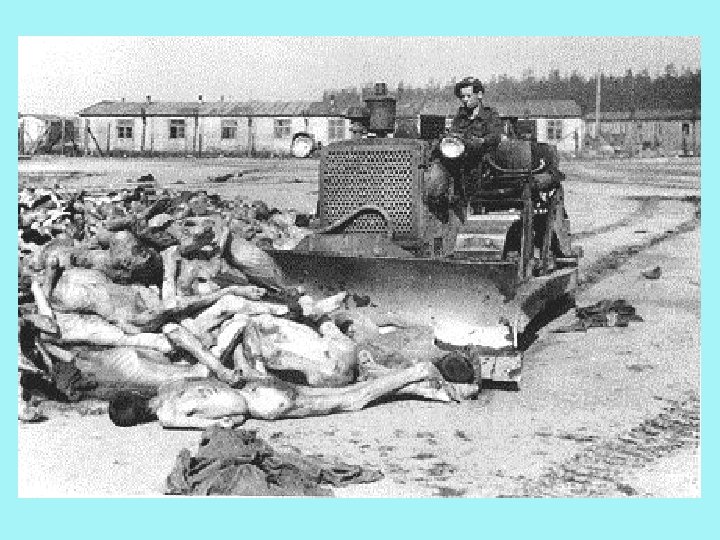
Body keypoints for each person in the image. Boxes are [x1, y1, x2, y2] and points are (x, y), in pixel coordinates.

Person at [108, 361, 458, 429]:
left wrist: (231, 420)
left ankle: (417, 372)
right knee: (343, 391)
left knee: (352, 400)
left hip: (261, 405)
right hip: (257, 385)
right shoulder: (169, 386)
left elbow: (221, 424)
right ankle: (418, 390)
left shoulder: (168, 417)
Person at [427, 76, 504, 203]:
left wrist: (481, 141)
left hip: (481, 162)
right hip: (460, 159)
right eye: (462, 97)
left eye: (468, 96)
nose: (464, 100)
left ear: (479, 95)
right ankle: (438, 196)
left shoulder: (490, 115)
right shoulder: (460, 116)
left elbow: (495, 136)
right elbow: (453, 133)